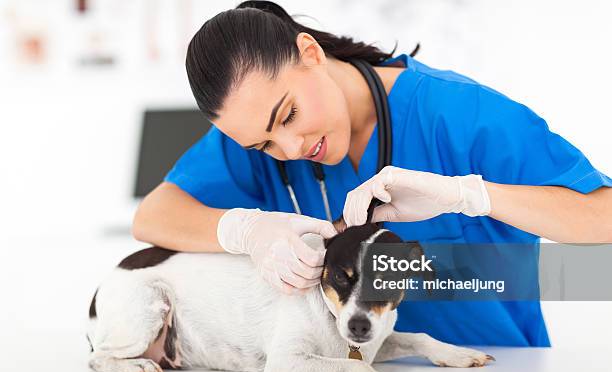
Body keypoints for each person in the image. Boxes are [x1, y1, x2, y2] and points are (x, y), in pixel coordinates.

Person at [132, 1, 612, 346]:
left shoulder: (455, 112)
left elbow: (603, 216)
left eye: (290, 115)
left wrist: (469, 195)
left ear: (311, 53)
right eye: (264, 144)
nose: (291, 149)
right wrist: (244, 229)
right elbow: (153, 216)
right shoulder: (258, 138)